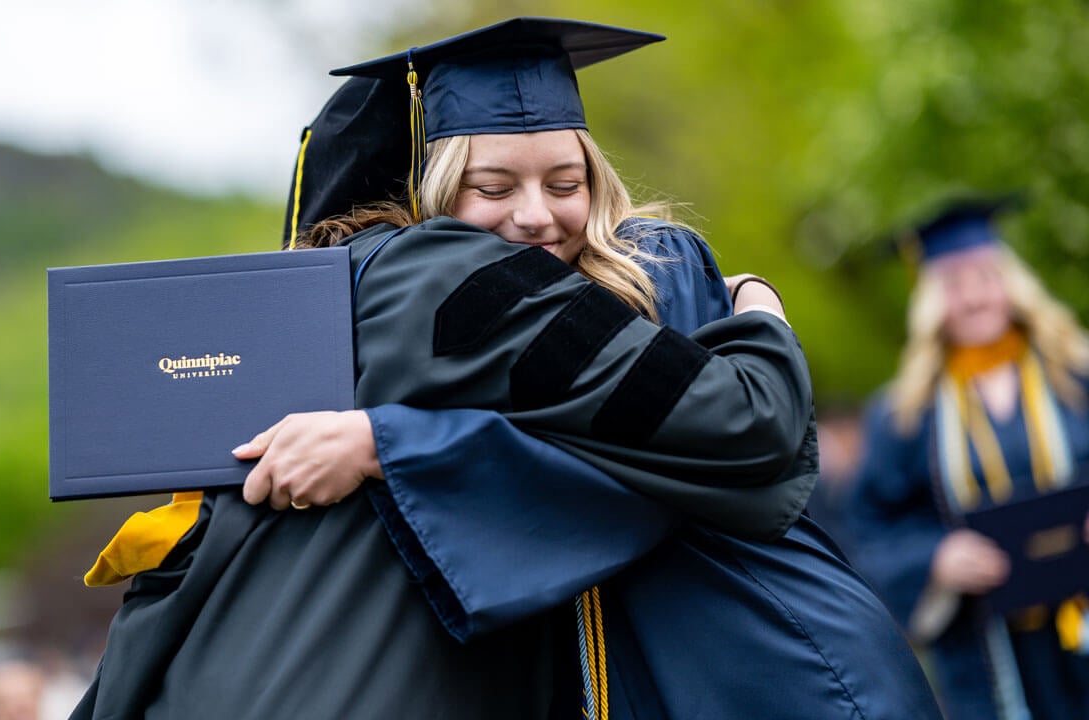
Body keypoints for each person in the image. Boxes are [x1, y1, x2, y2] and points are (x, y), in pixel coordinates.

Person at [72, 18, 939, 719]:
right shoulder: (440, 289)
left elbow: (669, 462)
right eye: (494, 188)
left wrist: (757, 308)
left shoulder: (658, 274)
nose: (536, 216)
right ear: (435, 195)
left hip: (767, 674)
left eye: (566, 183)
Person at [846, 196, 1089, 720]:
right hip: (985, 648)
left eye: (985, 276)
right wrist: (935, 558)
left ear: (1011, 282)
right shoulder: (904, 415)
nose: (974, 298)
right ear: (931, 301)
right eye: (954, 284)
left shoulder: (1076, 375)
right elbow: (868, 529)